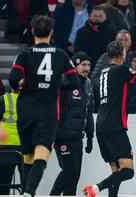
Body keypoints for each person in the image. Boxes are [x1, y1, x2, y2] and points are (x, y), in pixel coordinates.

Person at [8, 15, 79, 197]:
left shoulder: (24, 54)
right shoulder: (61, 54)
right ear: (52, 32)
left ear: (32, 31)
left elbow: (13, 81)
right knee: (42, 153)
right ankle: (29, 192)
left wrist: (24, 85)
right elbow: (74, 81)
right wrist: (54, 84)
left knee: (27, 156)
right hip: (47, 111)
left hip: (26, 109)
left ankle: (25, 191)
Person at [82, 41, 136, 197]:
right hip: (115, 125)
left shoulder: (103, 71)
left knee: (116, 171)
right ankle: (96, 188)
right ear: (123, 53)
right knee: (128, 171)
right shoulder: (121, 69)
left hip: (101, 125)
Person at [50, 52, 94, 196]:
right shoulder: (64, 80)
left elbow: (88, 111)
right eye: (83, 65)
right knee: (68, 171)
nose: (87, 68)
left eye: (89, 65)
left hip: (77, 137)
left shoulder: (87, 84)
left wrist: (90, 137)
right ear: (75, 66)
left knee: (75, 175)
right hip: (62, 135)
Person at [0, 87, 22, 195]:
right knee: (27, 182)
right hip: (24, 147)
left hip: (7, 147)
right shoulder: (32, 99)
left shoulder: (4, 99)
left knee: (4, 182)